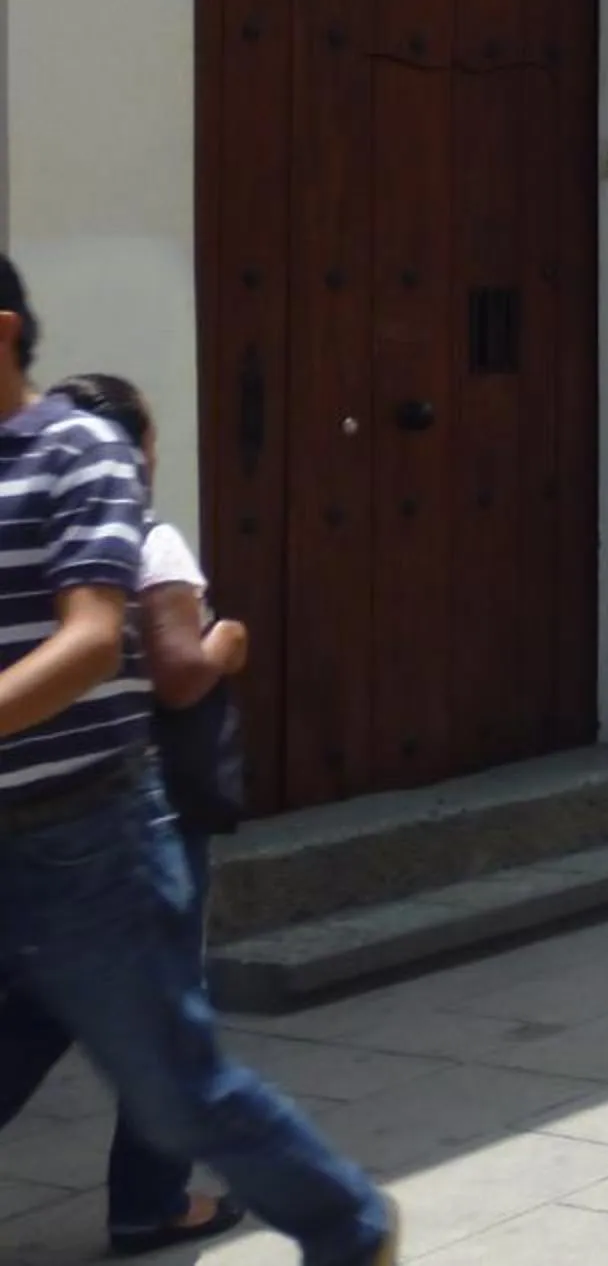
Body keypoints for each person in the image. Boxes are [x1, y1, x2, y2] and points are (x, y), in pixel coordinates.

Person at [0, 255, 396, 1265]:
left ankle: (348, 1227)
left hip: (86, 843)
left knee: (177, 1092)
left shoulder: (76, 450)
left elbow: (93, 640)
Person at [0, 371, 252, 1253]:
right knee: (164, 1009)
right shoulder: (148, 540)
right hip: (141, 806)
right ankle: (152, 1200)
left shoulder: (27, 541)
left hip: (35, 807)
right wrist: (229, 638)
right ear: (138, 446)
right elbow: (182, 673)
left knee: (34, 1002)